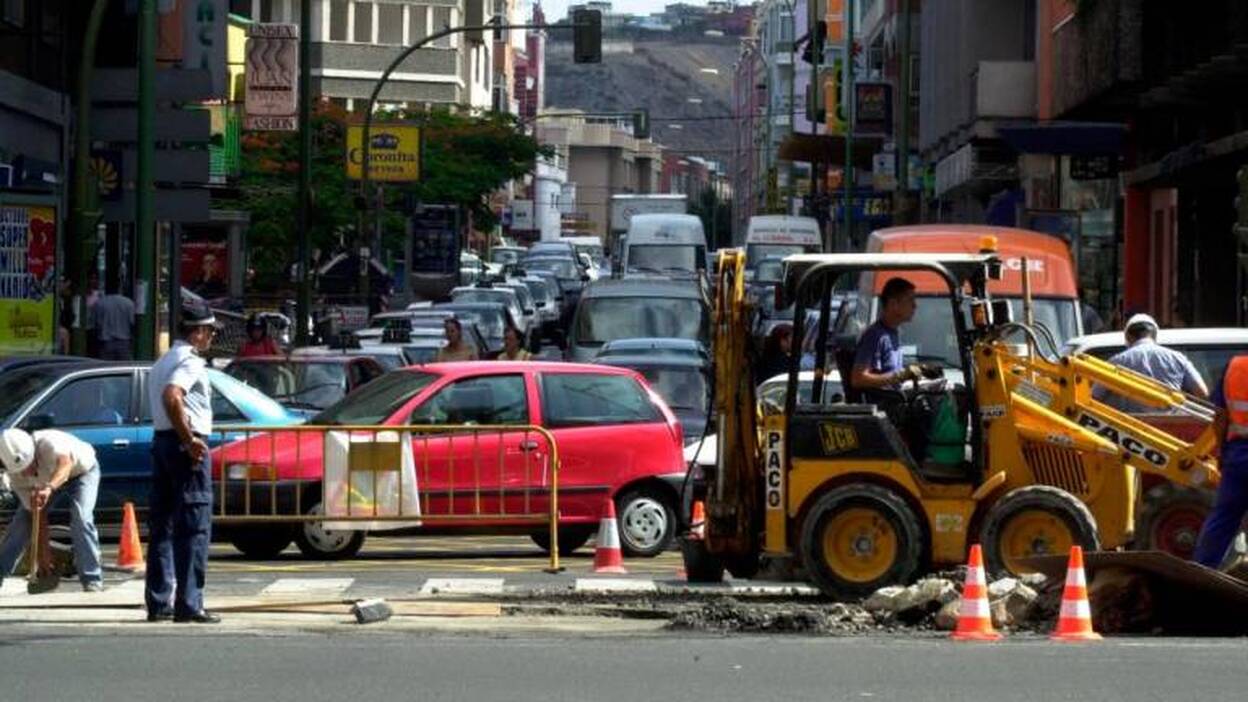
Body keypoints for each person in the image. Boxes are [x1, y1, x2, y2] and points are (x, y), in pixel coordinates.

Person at [145, 304, 220, 624]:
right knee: (193, 524)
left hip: (162, 442)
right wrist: (189, 439)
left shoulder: (163, 360)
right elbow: (172, 396)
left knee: (162, 525)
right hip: (181, 446)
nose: (211, 336)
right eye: (210, 330)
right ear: (198, 331)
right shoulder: (188, 361)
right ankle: (189, 603)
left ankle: (159, 600)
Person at [0, 428, 104, 593]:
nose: (27, 472)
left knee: (81, 517)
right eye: (21, 470)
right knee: (23, 521)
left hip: (81, 472)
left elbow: (65, 466)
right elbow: (37, 514)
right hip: (47, 483)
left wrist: (49, 488)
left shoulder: (50, 442)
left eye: (28, 465)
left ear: (33, 452)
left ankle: (92, 579)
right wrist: (43, 554)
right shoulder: (15, 477)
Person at [1193, 354, 1248, 570]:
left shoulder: (1235, 366)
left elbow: (1220, 415)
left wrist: (1223, 453)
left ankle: (1201, 574)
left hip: (1238, 455)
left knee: (1223, 518)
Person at [1093, 313, 1208, 413]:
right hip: (1173, 430)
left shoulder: (1117, 362)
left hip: (1129, 431)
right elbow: (1202, 393)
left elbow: (1094, 396)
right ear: (1155, 335)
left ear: (1128, 336)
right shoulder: (1178, 358)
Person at [849, 277, 925, 393]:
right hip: (883, 407)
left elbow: (891, 374)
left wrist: (918, 372)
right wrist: (900, 376)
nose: (915, 306)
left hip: (896, 400)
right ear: (893, 304)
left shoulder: (894, 333)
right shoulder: (875, 336)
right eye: (910, 300)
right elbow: (858, 379)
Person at [89, 284, 136, 361]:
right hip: (124, 343)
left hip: (106, 343)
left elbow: (95, 324)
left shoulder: (99, 304)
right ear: (120, 289)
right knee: (124, 368)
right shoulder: (128, 303)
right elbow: (132, 323)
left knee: (105, 368)